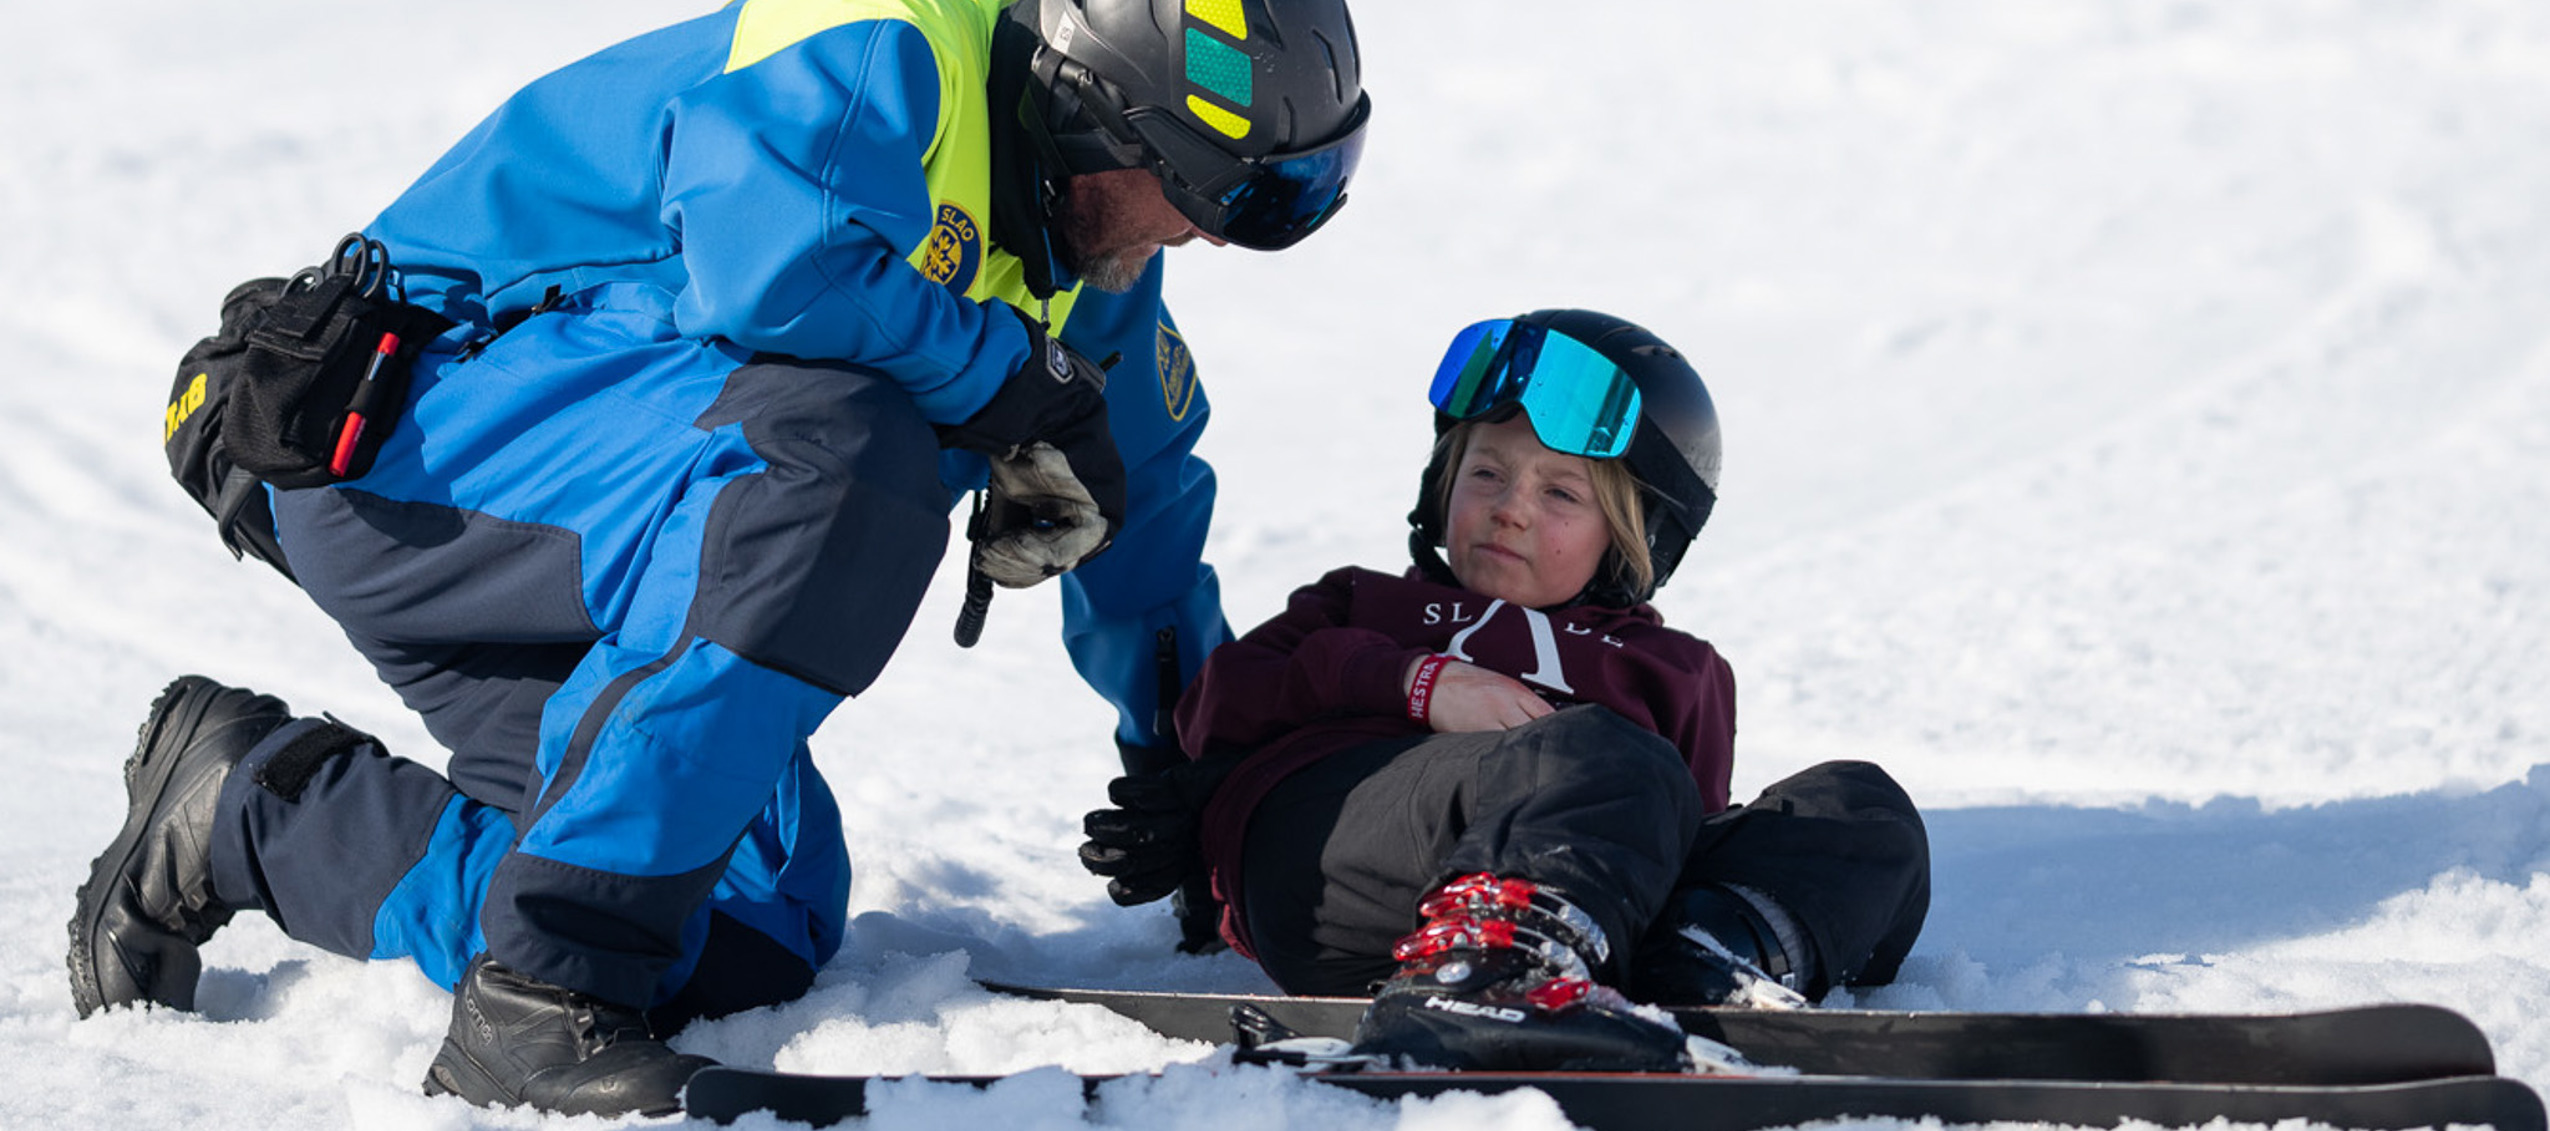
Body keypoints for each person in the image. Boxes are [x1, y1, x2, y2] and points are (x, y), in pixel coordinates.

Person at [70, 0, 1367, 1117]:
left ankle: (248, 806)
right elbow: (773, 271)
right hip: (393, 449)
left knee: (748, 922)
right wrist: (1005, 377)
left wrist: (1197, 767)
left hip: (592, 533)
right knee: (839, 453)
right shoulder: (885, 44)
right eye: (1202, 185)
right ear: (1096, 112)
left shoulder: (1100, 256)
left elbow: (1136, 509)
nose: (1204, 230)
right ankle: (545, 990)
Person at [1080, 309, 1932, 1070]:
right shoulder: (1367, 602)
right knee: (1599, 752)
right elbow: (1219, 700)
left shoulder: (1675, 667)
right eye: (1486, 474)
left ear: (1634, 537)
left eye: (1559, 492)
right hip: (1341, 850)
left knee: (1861, 806)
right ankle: (1486, 970)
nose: (1509, 508)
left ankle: (1704, 957)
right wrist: (1414, 681)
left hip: (1585, 881)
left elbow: (1684, 818)